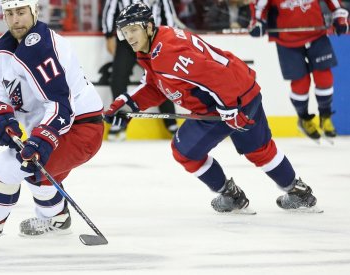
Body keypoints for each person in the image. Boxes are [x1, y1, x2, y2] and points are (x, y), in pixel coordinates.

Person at [105, 2, 320, 214]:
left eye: (133, 29)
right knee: (259, 150)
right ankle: (298, 191)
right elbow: (156, 85)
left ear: (149, 26)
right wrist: (128, 105)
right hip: (243, 90)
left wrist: (230, 108)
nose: (130, 37)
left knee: (184, 152)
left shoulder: (166, 54)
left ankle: (230, 195)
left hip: (226, 100)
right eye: (125, 32)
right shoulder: (157, 44)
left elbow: (214, 75)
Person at [0, 0, 104, 249]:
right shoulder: (6, 46)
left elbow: (60, 105)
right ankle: (57, 218)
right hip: (55, 123)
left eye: (21, 12)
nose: (15, 19)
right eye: (9, 14)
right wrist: (2, 115)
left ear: (34, 12)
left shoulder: (41, 49)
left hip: (80, 128)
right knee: (36, 173)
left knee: (11, 165)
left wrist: (41, 139)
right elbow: (3, 91)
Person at [249, 1, 349, 142]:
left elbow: (335, 4)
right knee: (300, 84)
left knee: (324, 78)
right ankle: (304, 118)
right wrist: (257, 22)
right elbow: (258, 7)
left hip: (317, 35)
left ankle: (325, 116)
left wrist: (340, 17)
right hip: (286, 40)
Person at [102, 0, 184, 141]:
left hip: (152, 39)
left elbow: (169, 14)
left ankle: (171, 123)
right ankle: (120, 122)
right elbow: (109, 11)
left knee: (161, 78)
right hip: (126, 40)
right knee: (118, 78)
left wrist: (168, 39)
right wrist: (109, 35)